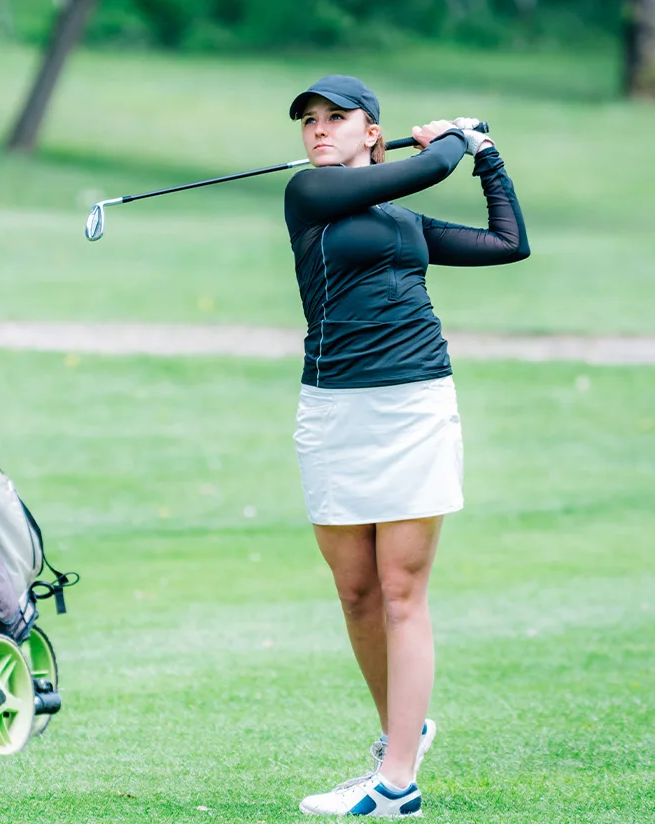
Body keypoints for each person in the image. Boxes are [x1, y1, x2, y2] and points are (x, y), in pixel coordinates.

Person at [284, 75, 529, 817]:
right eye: (309, 121)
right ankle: (405, 725)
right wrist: (454, 137)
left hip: (415, 405)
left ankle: (395, 781)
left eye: (337, 119)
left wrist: (486, 157)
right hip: (333, 413)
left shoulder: (406, 223)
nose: (319, 131)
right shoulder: (308, 195)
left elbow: (508, 243)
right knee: (355, 591)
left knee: (399, 592)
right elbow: (428, 165)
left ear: (371, 131)